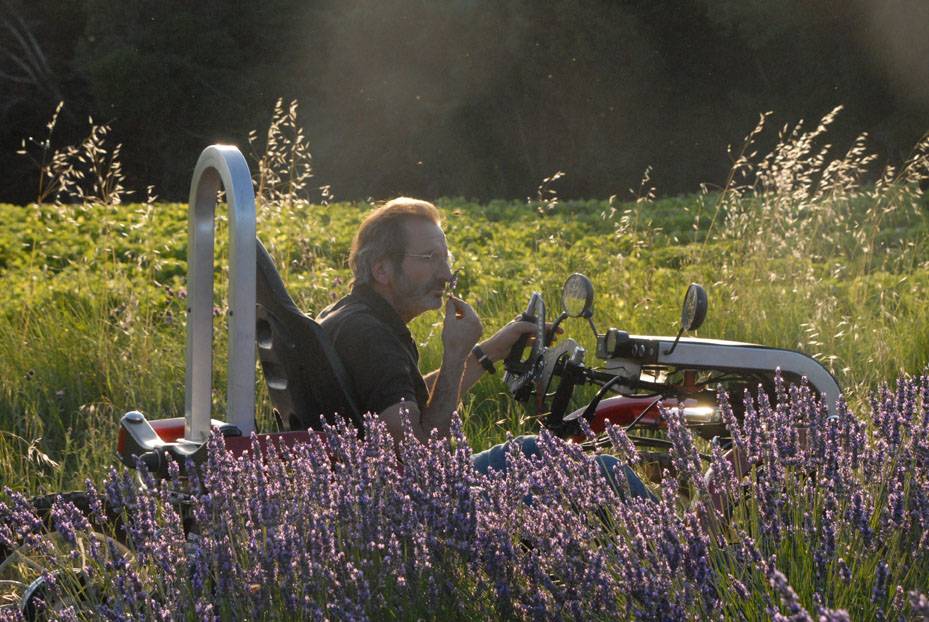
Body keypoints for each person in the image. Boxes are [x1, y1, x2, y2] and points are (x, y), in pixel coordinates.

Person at [318, 197, 651, 499]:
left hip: (396, 490)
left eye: (445, 259)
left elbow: (408, 406)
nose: (447, 274)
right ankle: (691, 557)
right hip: (420, 504)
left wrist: (489, 352)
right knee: (607, 472)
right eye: (430, 258)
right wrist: (454, 356)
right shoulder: (371, 338)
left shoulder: (349, 318)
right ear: (382, 269)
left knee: (534, 451)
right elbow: (420, 456)